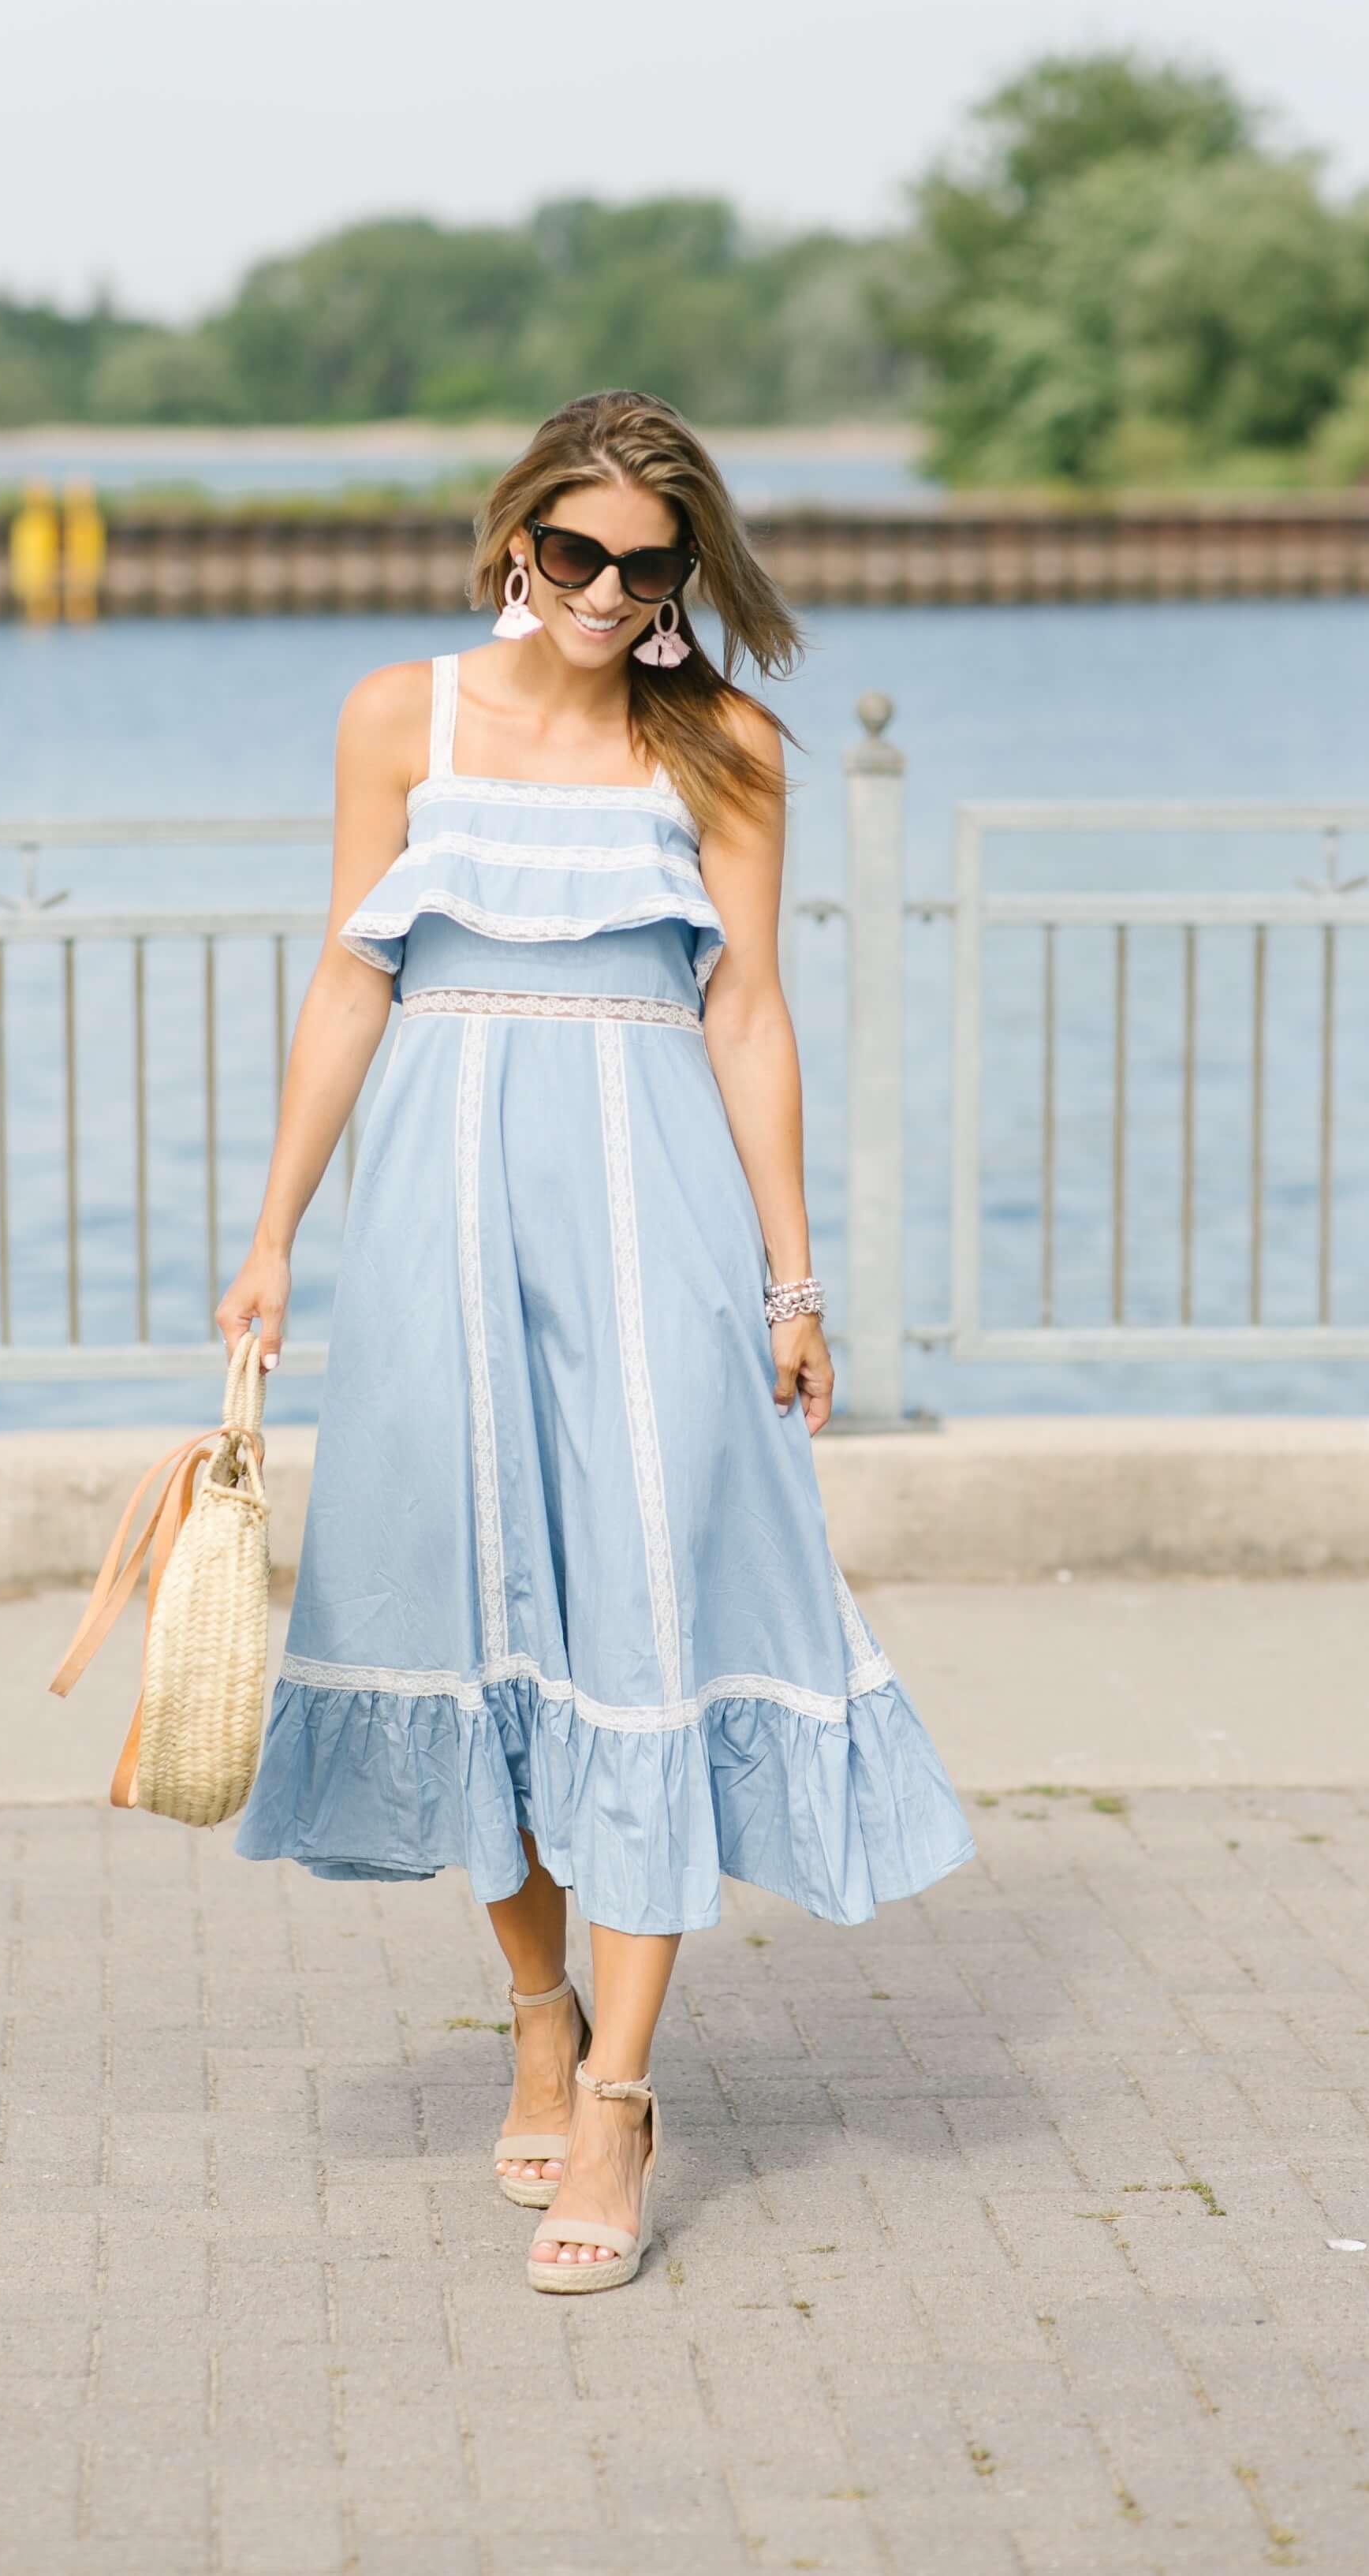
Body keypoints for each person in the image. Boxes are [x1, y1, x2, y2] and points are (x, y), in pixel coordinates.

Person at [220, 389, 975, 2295]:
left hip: (655, 1228)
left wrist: (794, 1285)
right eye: (575, 552)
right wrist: (272, 1235)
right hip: (437, 1225)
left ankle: (620, 2105)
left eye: (650, 565)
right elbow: (350, 977)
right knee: (481, 1623)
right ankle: (539, 2019)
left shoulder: (722, 743)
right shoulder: (397, 719)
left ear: (684, 575)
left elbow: (750, 1015)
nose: (607, 591)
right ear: (513, 543)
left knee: (646, 1625)